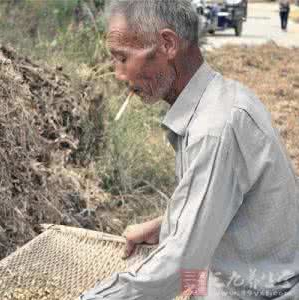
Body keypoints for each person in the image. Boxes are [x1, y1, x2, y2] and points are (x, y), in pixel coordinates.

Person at [80, 0, 299, 299]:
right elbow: (222, 202)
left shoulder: (215, 127)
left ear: (167, 44)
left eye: (123, 59)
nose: (119, 74)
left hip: (255, 290)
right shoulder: (222, 97)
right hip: (227, 273)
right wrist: (166, 225)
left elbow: (181, 262)